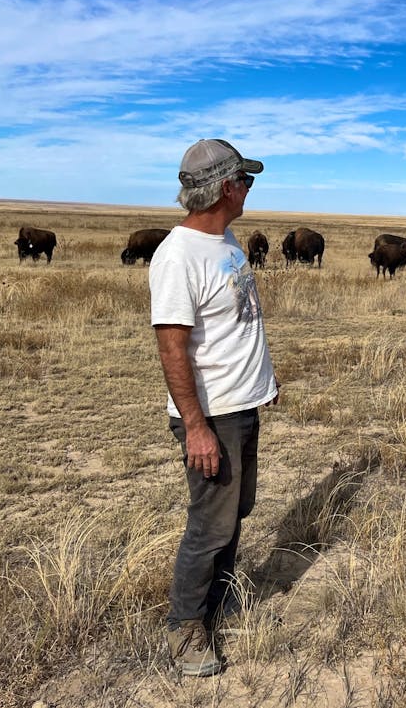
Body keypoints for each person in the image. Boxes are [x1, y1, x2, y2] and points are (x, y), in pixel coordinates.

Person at [149, 138, 279, 677]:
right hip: (213, 417)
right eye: (245, 180)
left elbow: (238, 324)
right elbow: (172, 346)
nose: (250, 188)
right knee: (210, 524)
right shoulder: (177, 255)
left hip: (243, 404)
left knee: (237, 513)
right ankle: (185, 628)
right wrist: (196, 426)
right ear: (227, 186)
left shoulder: (227, 243)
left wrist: (265, 379)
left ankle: (218, 600)